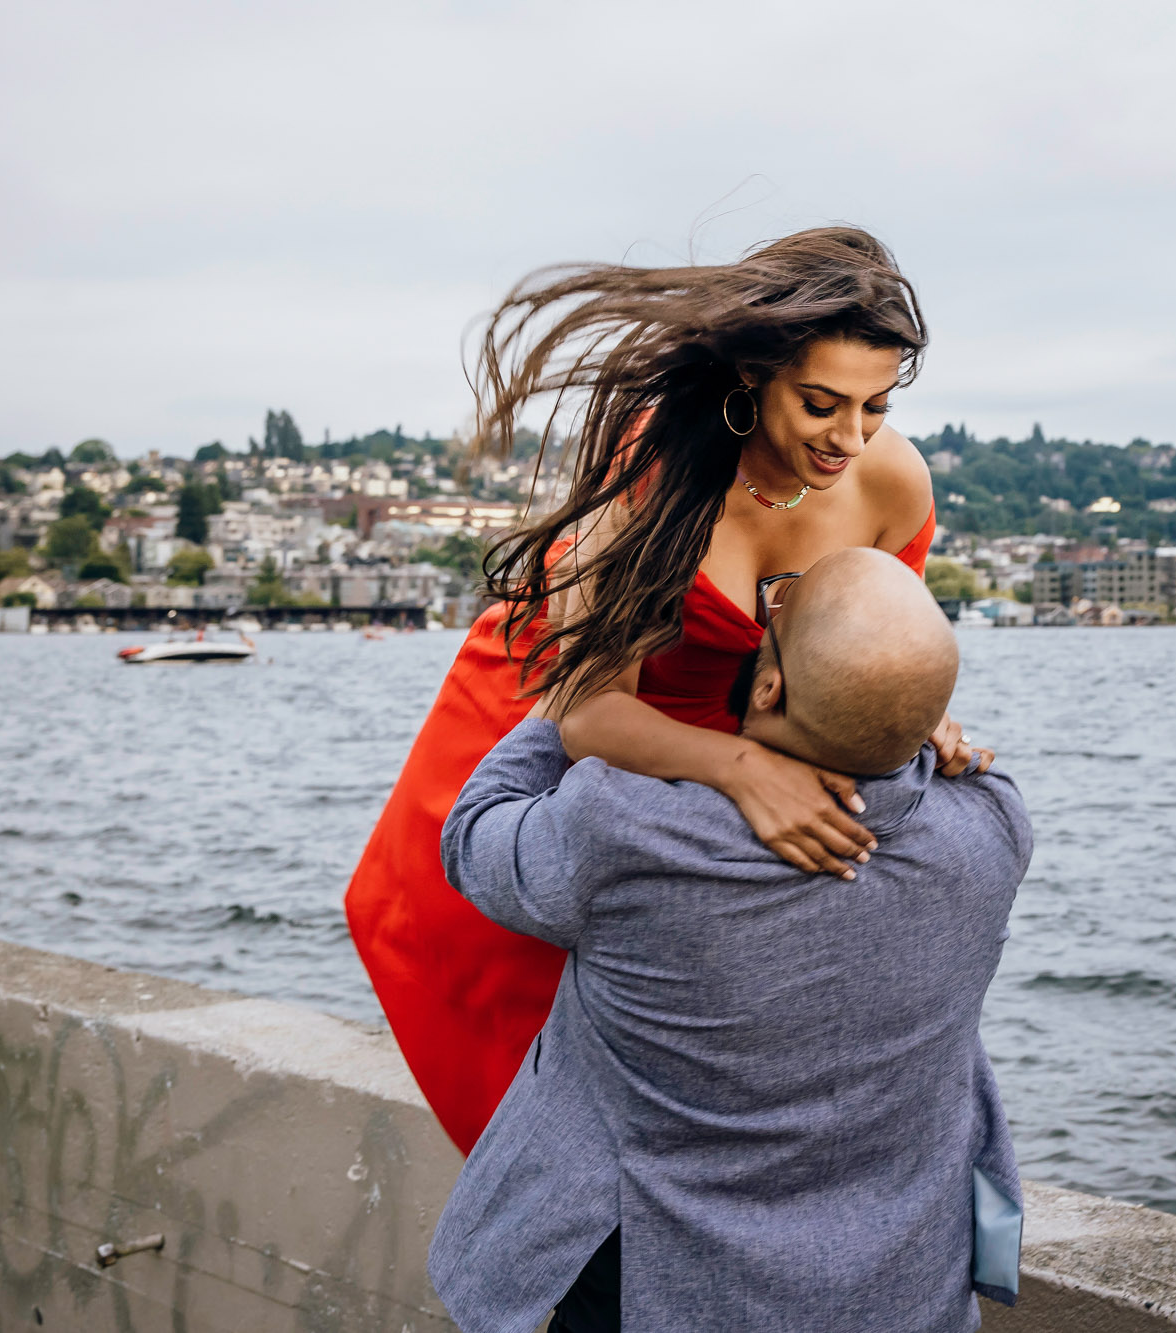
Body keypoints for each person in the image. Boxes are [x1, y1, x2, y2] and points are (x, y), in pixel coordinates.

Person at [344, 228, 994, 1154]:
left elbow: (860, 649)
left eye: (876, 408)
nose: (850, 438)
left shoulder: (893, 482)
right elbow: (581, 712)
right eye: (821, 403)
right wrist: (739, 768)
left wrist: (917, 718)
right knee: (510, 1006)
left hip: (739, 727)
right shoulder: (658, 474)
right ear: (752, 376)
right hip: (557, 707)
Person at [429, 548, 1031, 1333]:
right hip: (900, 1292)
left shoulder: (628, 828)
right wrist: (912, 728)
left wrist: (584, 689)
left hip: (652, 1289)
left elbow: (475, 833)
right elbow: (927, 767)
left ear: (770, 685)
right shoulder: (992, 829)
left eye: (779, 610)